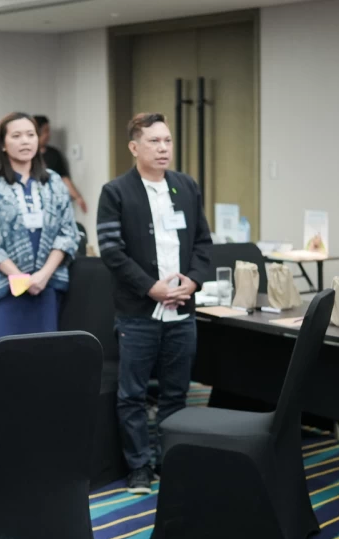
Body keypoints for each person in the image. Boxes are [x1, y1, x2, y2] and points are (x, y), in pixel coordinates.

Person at [96, 112, 212, 495]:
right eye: (154, 142)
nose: (163, 149)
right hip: (139, 311)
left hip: (182, 308)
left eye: (167, 141)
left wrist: (191, 281)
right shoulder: (116, 192)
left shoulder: (186, 186)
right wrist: (152, 288)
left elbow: (202, 243)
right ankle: (139, 467)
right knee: (132, 394)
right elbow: (112, 252)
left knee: (177, 393)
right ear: (134, 147)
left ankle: (170, 461)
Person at [0, 112, 78, 345]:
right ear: (3, 145)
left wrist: (42, 276)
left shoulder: (53, 181)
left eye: (30, 135)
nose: (25, 141)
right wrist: (18, 276)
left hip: (44, 287)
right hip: (3, 289)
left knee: (43, 360)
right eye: (16, 136)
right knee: (0, 363)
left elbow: (67, 233)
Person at [34, 115, 87, 214]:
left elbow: (64, 178)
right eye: (46, 131)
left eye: (48, 131)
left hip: (52, 206)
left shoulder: (54, 154)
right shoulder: (26, 155)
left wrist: (78, 197)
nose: (48, 134)